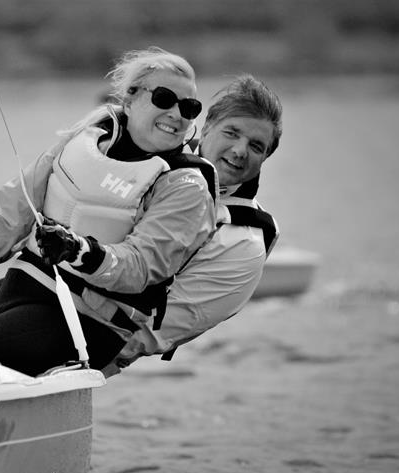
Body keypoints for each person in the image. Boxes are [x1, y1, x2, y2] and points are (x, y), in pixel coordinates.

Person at [0, 47, 217, 376]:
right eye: (165, 98)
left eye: (189, 107)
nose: (178, 114)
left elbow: (142, 265)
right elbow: (8, 217)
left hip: (86, 322)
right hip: (19, 290)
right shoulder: (80, 143)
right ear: (129, 98)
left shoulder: (185, 185)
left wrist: (80, 251)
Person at [102, 73, 283, 376]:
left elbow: (148, 334)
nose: (240, 150)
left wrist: (74, 357)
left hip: (87, 344)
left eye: (256, 146)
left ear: (265, 157)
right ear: (207, 126)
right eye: (232, 133)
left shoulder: (244, 246)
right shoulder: (149, 152)